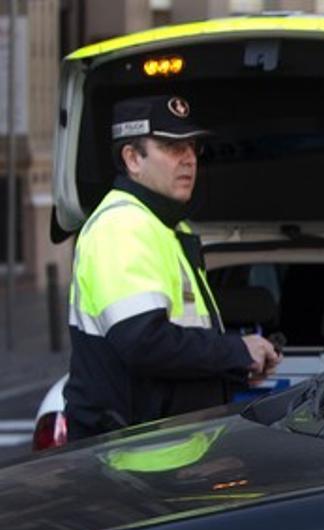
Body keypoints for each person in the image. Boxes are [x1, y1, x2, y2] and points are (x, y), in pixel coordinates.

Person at [65, 95, 280, 440]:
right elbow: (144, 343)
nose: (189, 160)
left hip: (162, 450)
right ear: (132, 158)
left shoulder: (168, 226)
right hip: (131, 457)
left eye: (192, 147)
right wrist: (236, 351)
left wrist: (231, 367)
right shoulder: (122, 226)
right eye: (171, 147)